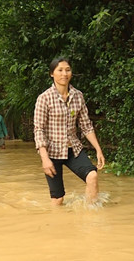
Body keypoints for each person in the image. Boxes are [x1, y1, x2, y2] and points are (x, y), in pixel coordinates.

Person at [33, 57, 105, 206]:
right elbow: (39, 129)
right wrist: (44, 158)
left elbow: (86, 126)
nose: (64, 74)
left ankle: (91, 219)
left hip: (73, 149)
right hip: (52, 152)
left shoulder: (78, 96)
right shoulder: (44, 98)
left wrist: (98, 150)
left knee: (92, 176)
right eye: (60, 70)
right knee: (57, 199)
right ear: (52, 74)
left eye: (67, 70)